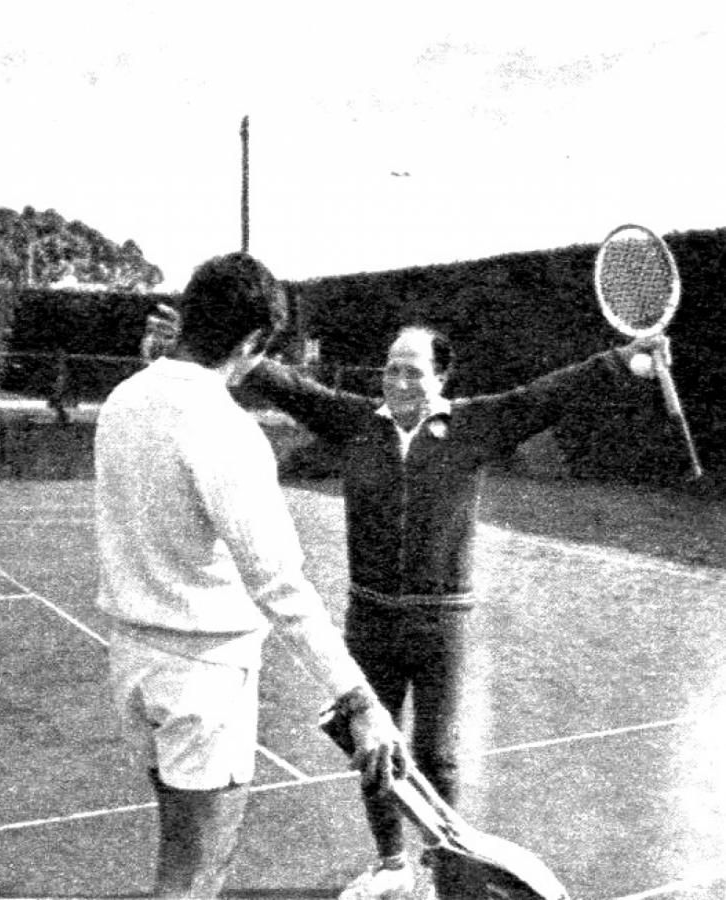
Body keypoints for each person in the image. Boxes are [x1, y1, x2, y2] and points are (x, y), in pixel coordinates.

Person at [237, 322, 667, 900]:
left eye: (414, 370)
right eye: (391, 367)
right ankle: (392, 865)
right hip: (371, 619)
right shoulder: (357, 424)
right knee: (373, 749)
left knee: (437, 757)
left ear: (441, 377)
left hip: (444, 622)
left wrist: (622, 359)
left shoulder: (473, 426)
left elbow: (545, 395)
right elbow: (292, 388)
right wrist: (213, 347)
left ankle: (446, 874)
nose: (399, 380)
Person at [94, 253, 406, 899]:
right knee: (193, 880)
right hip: (204, 682)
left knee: (177, 864)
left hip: (132, 667)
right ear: (252, 343)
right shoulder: (227, 430)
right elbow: (282, 585)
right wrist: (362, 701)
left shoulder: (122, 399)